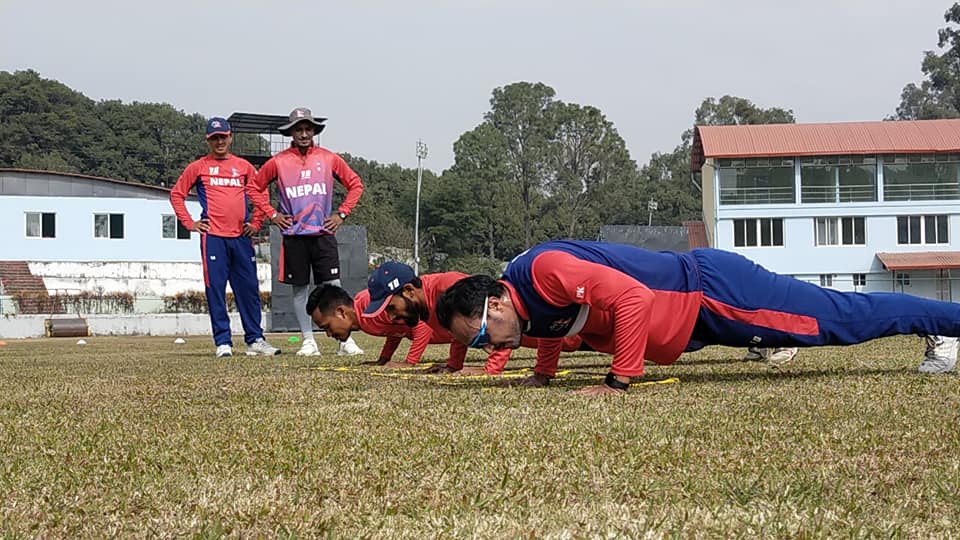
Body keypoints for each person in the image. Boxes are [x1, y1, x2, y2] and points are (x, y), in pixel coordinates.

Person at [435, 240, 960, 395]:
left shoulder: (545, 269)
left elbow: (634, 299)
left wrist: (619, 383)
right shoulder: (522, 301)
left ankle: (945, 323)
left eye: (481, 337)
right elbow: (555, 323)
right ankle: (766, 340)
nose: (491, 349)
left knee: (844, 319)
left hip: (712, 292)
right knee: (836, 317)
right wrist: (543, 374)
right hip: (695, 323)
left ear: (496, 305)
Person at [305, 262, 581, 374]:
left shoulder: (448, 287)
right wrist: (453, 365)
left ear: (410, 291)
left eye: (391, 308)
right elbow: (460, 334)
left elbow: (497, 321)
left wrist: (491, 369)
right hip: (546, 335)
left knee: (577, 341)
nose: (392, 318)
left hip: (558, 329)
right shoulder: (423, 306)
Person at [253, 107, 364, 357]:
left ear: (314, 131)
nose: (303, 133)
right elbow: (253, 187)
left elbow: (355, 185)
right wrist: (272, 214)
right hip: (294, 236)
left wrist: (341, 214)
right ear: (291, 132)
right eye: (298, 129)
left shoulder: (328, 158)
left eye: (307, 129)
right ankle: (308, 341)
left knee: (334, 286)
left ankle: (344, 341)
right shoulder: (278, 162)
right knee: (300, 289)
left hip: (323, 234)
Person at [169, 117, 280, 358]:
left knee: (249, 289)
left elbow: (262, 193)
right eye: (214, 138)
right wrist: (190, 223)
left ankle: (255, 340)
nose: (219, 141)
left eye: (223, 137)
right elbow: (177, 195)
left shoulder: (244, 167)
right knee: (215, 289)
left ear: (230, 137)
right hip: (214, 238)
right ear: (208, 140)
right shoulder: (197, 167)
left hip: (241, 237)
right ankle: (223, 342)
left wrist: (256, 222)